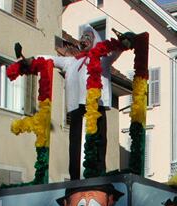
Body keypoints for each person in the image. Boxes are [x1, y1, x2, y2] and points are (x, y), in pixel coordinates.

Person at [23, 25, 122, 180]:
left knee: (97, 142)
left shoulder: (102, 58)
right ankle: (75, 177)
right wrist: (32, 60)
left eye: (88, 37)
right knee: (75, 143)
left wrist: (123, 43)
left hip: (95, 106)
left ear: (95, 40)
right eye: (82, 37)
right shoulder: (71, 62)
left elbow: (115, 52)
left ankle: (97, 175)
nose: (84, 40)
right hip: (77, 107)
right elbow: (52, 59)